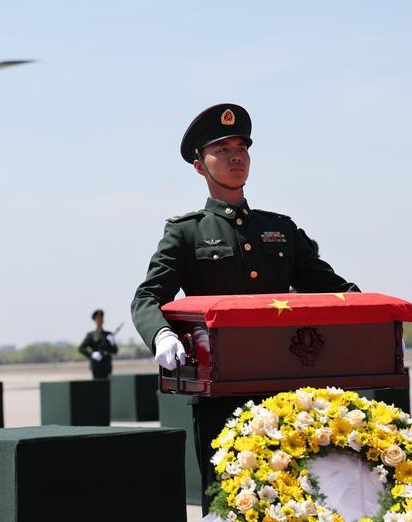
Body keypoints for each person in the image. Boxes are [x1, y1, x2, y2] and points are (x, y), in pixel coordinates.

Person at [130, 103, 359, 514]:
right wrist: (161, 334)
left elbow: (334, 289)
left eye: (241, 148)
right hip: (223, 399)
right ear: (199, 166)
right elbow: (147, 297)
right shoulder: (186, 232)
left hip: (288, 395)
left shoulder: (280, 229)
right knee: (230, 504)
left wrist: (375, 319)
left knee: (293, 503)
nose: (236, 156)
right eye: (222, 149)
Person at [77, 309, 118, 379]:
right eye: (98, 319)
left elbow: (115, 350)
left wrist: (112, 343)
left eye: (101, 318)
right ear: (95, 320)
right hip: (96, 365)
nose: (100, 320)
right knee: (97, 384)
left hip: (107, 365)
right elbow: (81, 348)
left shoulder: (108, 334)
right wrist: (92, 354)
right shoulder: (91, 335)